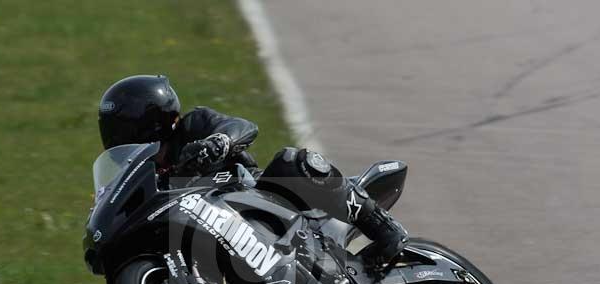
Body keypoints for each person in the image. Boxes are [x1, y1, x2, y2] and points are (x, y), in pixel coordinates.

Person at [97, 74, 408, 266]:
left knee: (292, 160)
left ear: (149, 118)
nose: (116, 136)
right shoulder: (142, 172)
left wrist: (219, 142)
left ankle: (381, 226)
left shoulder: (193, 125)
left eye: (122, 126)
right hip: (215, 240)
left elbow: (241, 126)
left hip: (260, 202)